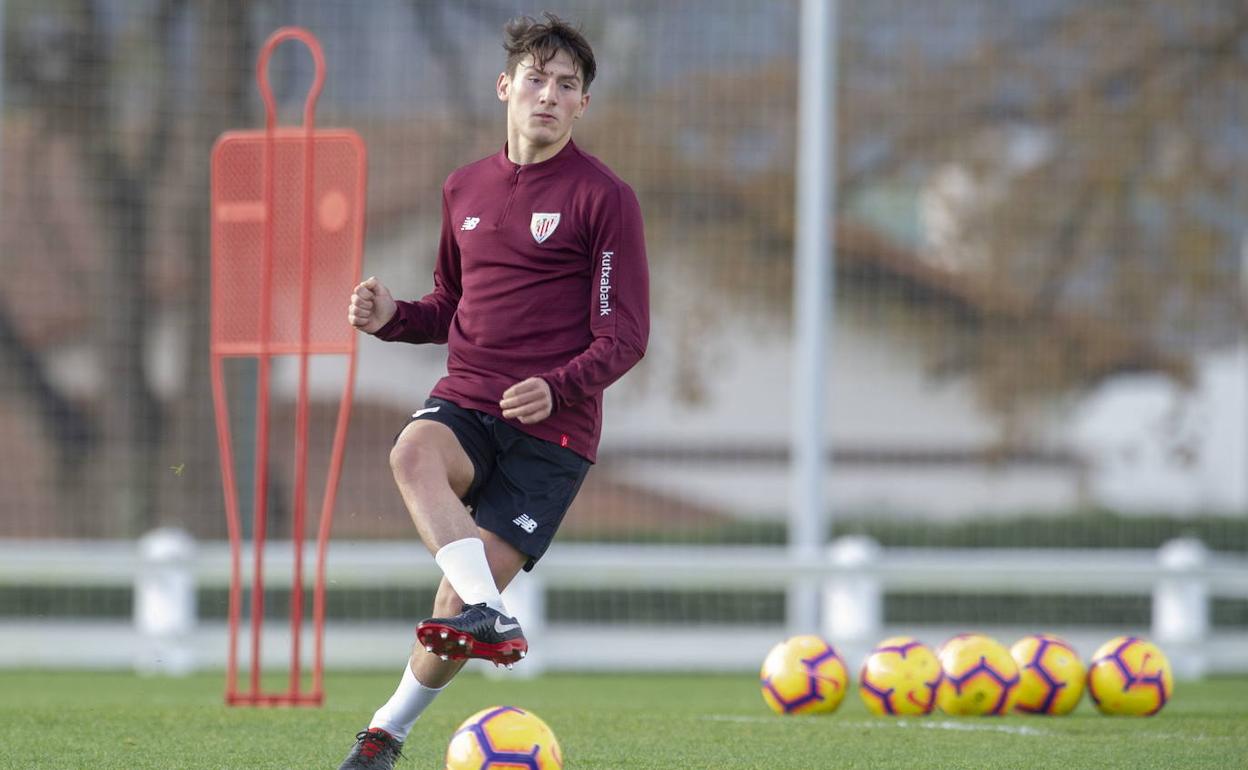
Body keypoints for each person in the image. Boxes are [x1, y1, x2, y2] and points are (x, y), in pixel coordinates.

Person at [337, 13, 648, 769]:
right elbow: (450, 304)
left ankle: (386, 733)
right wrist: (392, 319)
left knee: (449, 622)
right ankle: (488, 611)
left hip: (555, 436)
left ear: (582, 106)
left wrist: (558, 386)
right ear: (505, 87)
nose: (548, 94)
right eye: (536, 79)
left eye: (566, 85)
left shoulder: (604, 198)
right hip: (470, 399)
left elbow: (625, 336)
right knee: (414, 453)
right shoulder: (463, 188)